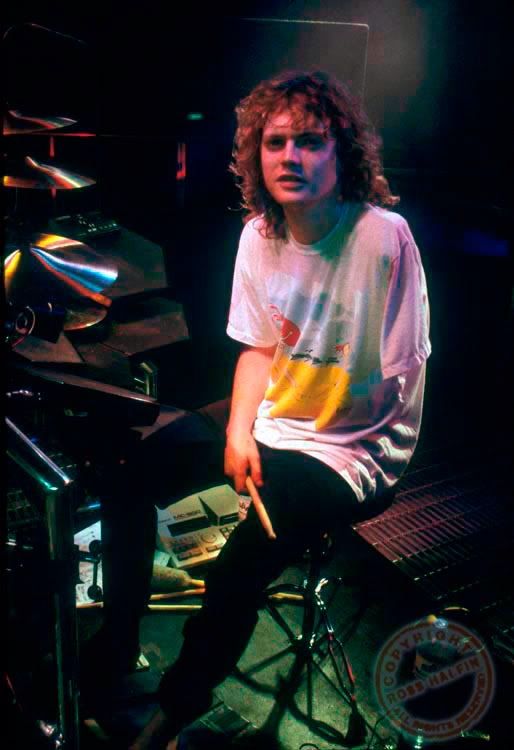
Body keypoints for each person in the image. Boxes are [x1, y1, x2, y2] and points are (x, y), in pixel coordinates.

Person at [118, 68, 431, 749]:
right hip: (274, 421)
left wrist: (288, 454)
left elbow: (403, 379)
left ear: (339, 151)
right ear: (256, 155)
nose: (290, 156)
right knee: (131, 469)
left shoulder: (384, 237)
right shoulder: (259, 236)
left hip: (354, 449)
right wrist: (239, 430)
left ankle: (166, 722)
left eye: (310, 141)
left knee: (237, 569)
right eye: (276, 142)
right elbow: (259, 352)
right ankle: (114, 654)